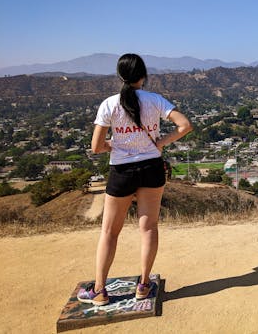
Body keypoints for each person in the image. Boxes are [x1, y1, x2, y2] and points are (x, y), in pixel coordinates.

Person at [77, 53, 192, 305]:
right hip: (151, 168)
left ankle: (99, 290)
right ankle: (143, 284)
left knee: (109, 232)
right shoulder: (155, 100)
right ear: (143, 76)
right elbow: (184, 125)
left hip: (122, 172)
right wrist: (160, 142)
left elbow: (96, 146)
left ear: (120, 76)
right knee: (148, 228)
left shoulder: (109, 104)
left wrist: (115, 146)